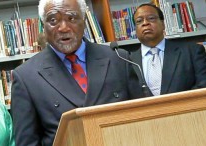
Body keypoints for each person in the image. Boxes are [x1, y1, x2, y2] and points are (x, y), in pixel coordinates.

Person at [11, 0, 138, 145]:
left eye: (71, 18)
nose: (63, 28)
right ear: (43, 26)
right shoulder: (26, 77)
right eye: (53, 20)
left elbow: (142, 120)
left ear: (84, 20)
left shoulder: (118, 59)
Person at [130, 3, 206, 97]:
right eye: (139, 21)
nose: (145, 23)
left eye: (151, 18)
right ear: (135, 29)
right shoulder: (127, 61)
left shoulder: (192, 51)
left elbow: (203, 85)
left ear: (163, 24)